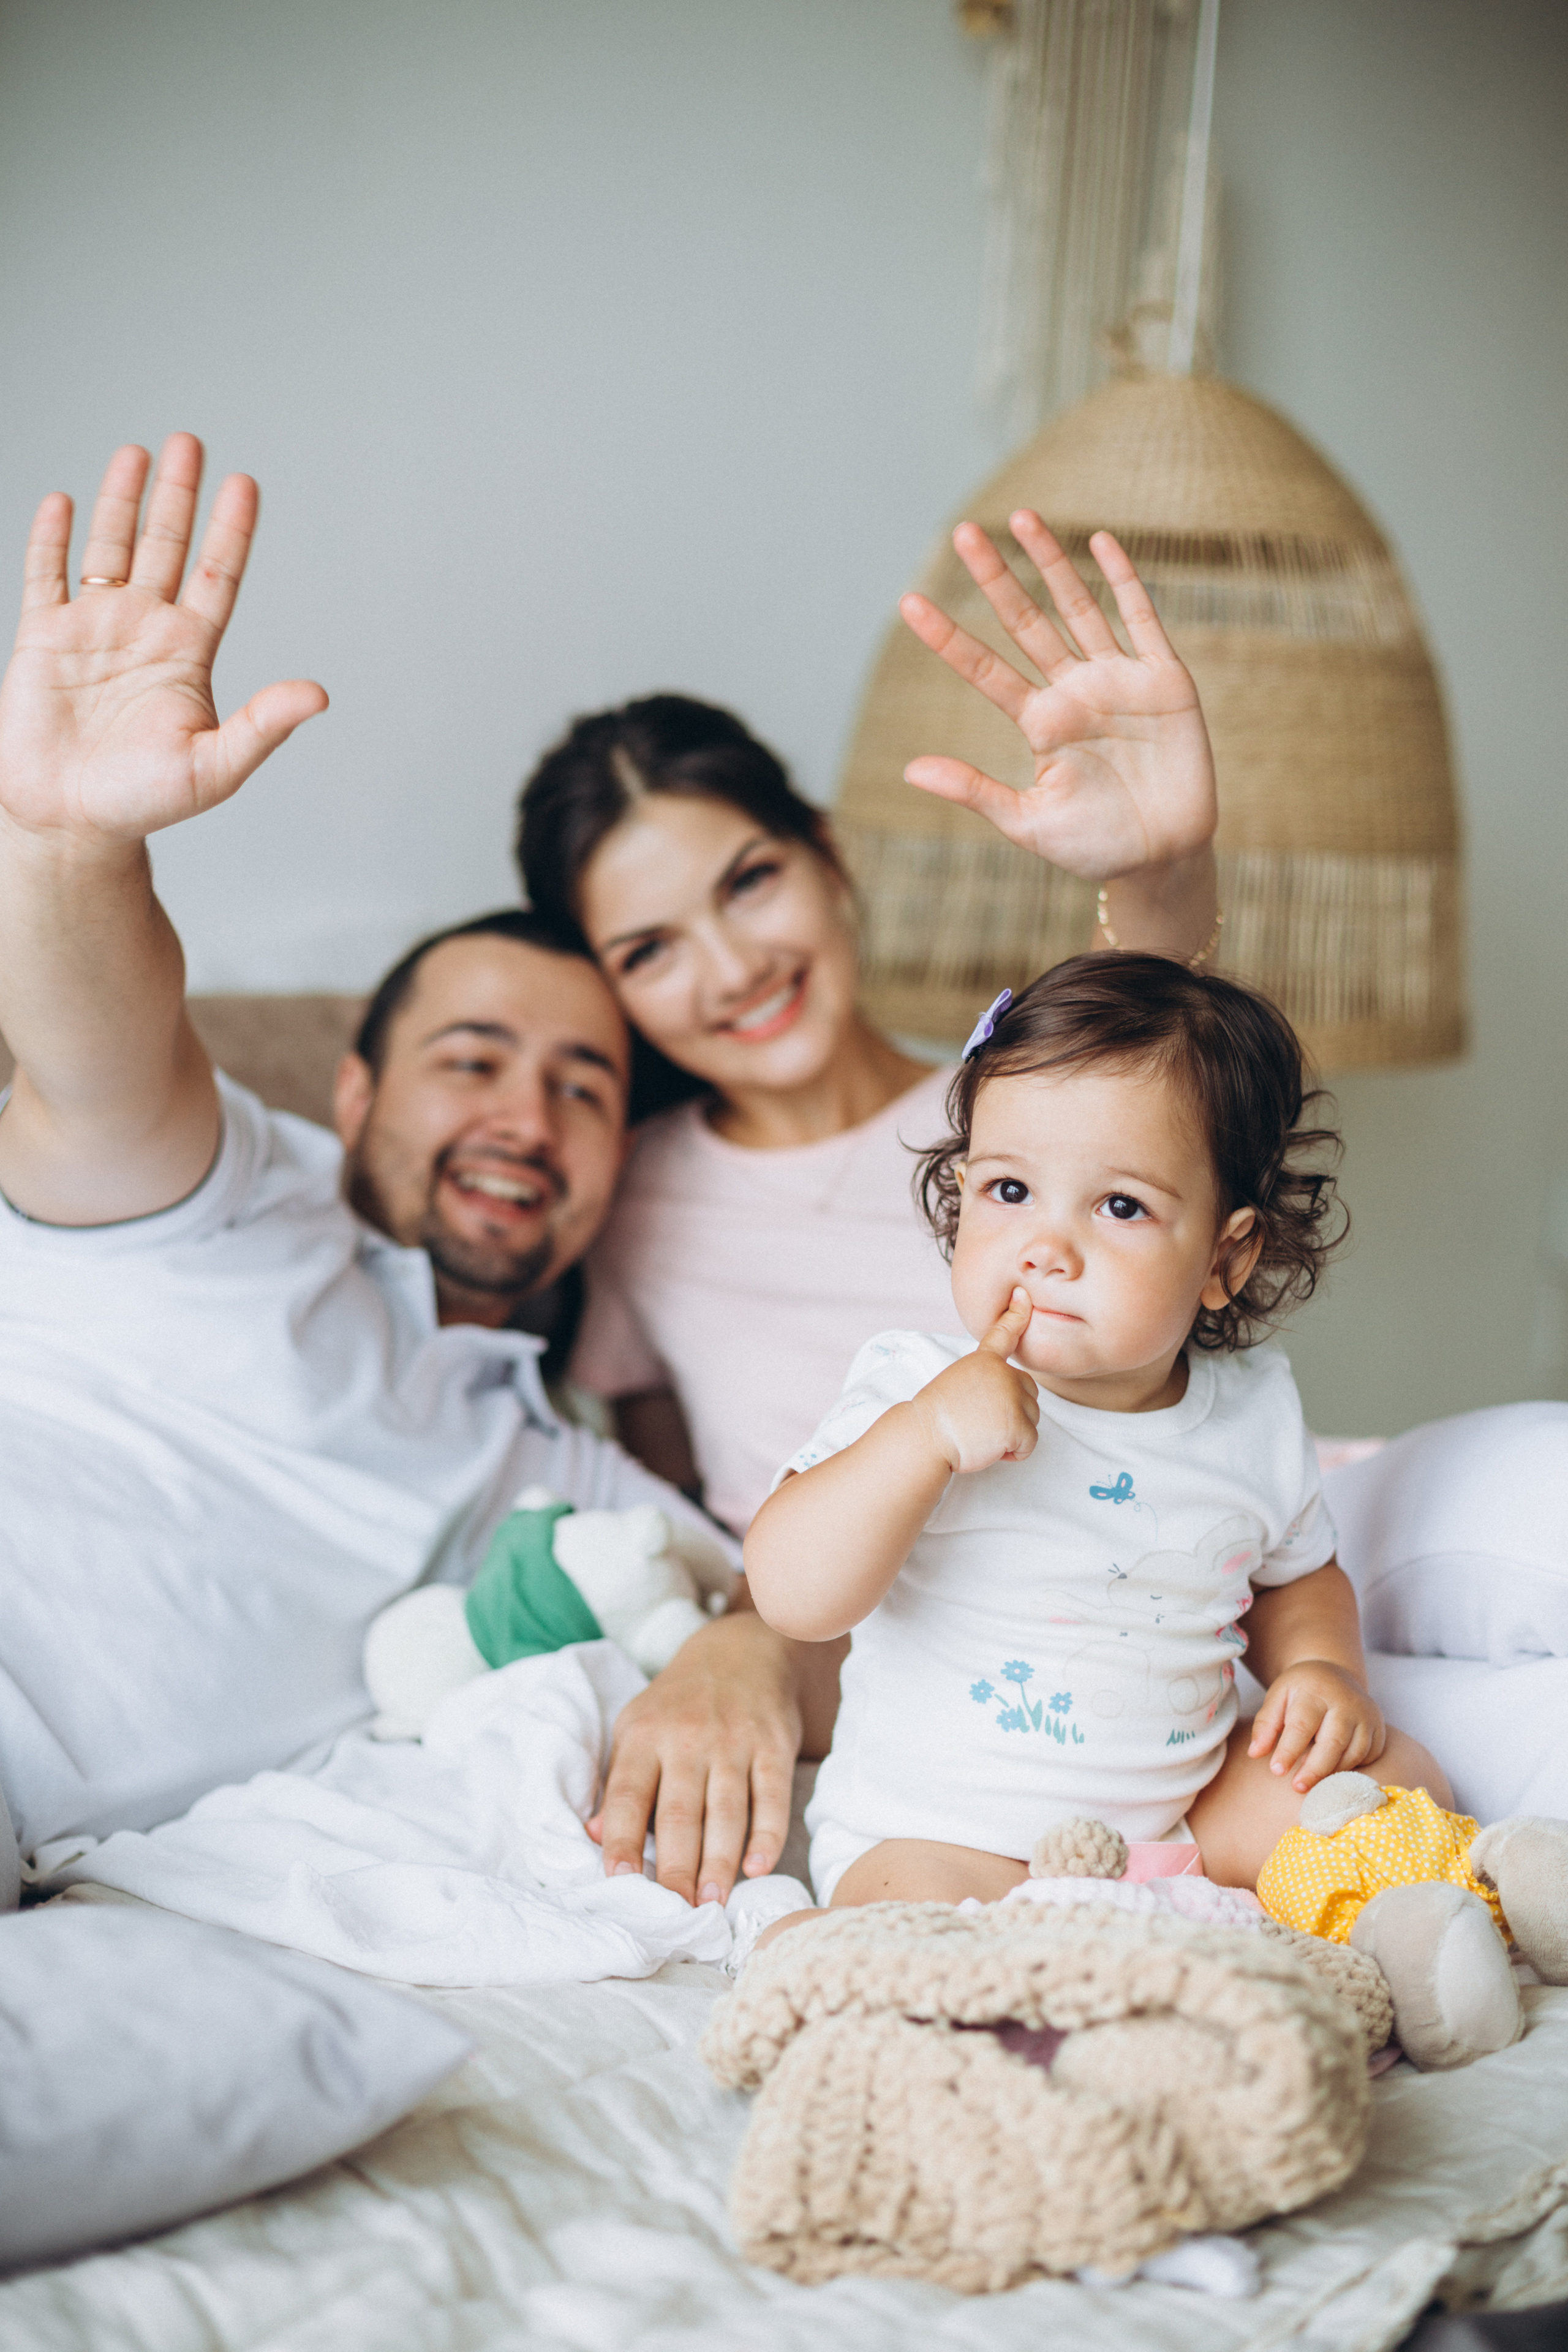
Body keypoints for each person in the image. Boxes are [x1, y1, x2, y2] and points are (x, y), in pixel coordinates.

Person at [0, 434, 840, 1905]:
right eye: (472, 1060)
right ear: (353, 1090)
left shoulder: (560, 1476)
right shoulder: (226, 1197)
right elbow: (97, 1054)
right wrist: (72, 851)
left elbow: (798, 1602)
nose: (527, 1113)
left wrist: (742, 1646)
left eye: (583, 1084)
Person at [516, 512, 1225, 1537]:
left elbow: (1154, 1060)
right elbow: (676, 1500)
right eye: (649, 951)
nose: (735, 969)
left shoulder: (1015, 1102)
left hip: (1165, 1563)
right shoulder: (627, 1194)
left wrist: (1157, 866)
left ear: (826, 855)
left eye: (750, 883)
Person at [743, 954, 1451, 1909]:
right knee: (905, 1922)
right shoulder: (913, 1387)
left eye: (1120, 1206)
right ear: (960, 1193)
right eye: (1008, 1191)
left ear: (1224, 1258)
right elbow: (793, 1593)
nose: (1048, 1246)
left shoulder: (1251, 1415)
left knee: (1393, 1776)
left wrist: (1322, 1671)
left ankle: (1397, 1921)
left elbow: (1297, 1574)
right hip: (945, 1838)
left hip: (1179, 1831)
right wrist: (923, 1439)